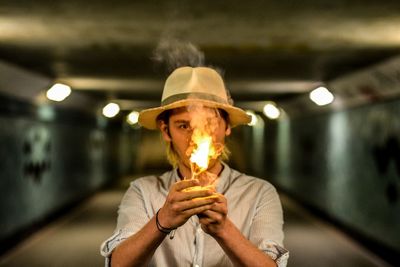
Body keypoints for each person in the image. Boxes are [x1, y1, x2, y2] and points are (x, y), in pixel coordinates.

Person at [100, 66, 289, 267]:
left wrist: (223, 230)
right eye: (183, 126)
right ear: (166, 131)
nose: (197, 137)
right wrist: (162, 220)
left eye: (210, 124)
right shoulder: (143, 191)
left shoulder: (259, 193)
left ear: (227, 127)